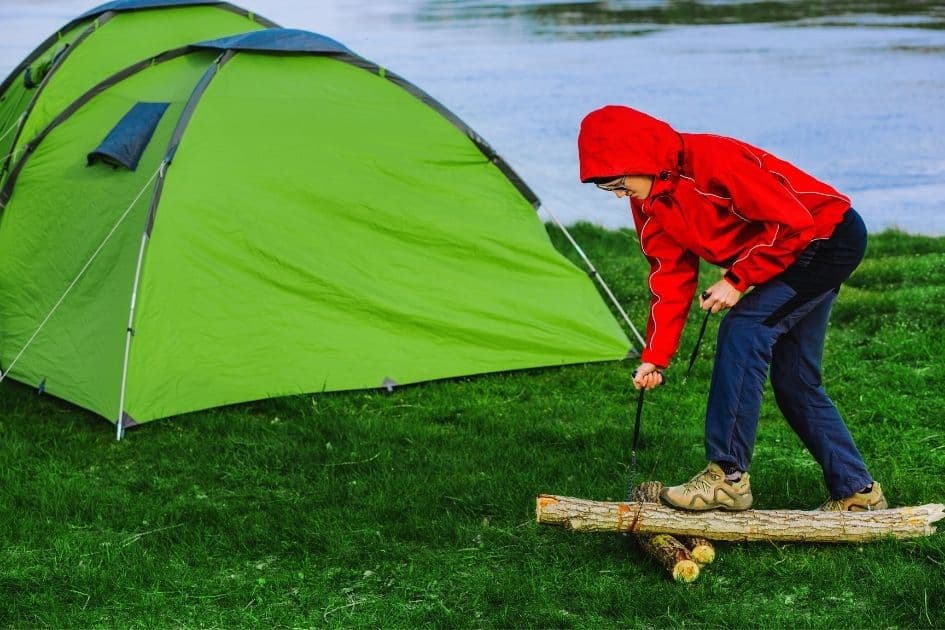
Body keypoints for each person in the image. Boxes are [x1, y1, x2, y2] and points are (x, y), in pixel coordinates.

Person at [578, 105, 886, 512]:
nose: (618, 194)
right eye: (606, 188)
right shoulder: (649, 202)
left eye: (617, 182)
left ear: (641, 158)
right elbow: (670, 276)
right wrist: (656, 357)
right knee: (795, 378)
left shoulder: (714, 162)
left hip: (826, 238)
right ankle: (858, 493)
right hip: (789, 249)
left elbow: (793, 222)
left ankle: (727, 478)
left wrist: (738, 280)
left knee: (744, 329)